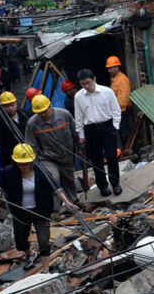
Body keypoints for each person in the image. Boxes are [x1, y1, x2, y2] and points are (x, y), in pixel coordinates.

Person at [0, 144, 76, 269]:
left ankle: (46, 269)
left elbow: (56, 188)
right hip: (20, 211)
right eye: (21, 163)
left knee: (43, 241)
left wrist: (67, 202)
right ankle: (29, 253)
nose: (24, 166)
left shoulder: (41, 172)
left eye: (27, 163)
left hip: (40, 211)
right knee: (20, 242)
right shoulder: (8, 173)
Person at [74, 68, 123, 197]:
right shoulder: (78, 96)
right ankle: (103, 187)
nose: (86, 86)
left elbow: (116, 110)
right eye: (83, 84)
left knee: (112, 156)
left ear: (94, 79)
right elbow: (78, 117)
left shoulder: (107, 92)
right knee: (96, 160)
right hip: (91, 129)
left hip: (107, 127)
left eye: (88, 83)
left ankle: (115, 183)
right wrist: (81, 135)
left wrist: (115, 127)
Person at [25, 94, 79, 203]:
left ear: (50, 106)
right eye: (39, 113)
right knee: (53, 179)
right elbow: (31, 145)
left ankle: (74, 201)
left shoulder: (64, 115)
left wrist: (80, 147)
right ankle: (55, 208)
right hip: (47, 158)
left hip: (66, 155)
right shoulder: (32, 123)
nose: (43, 114)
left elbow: (75, 133)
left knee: (69, 179)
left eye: (44, 111)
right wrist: (33, 163)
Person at [0, 91, 29, 172]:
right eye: (7, 106)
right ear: (2, 107)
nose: (10, 108)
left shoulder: (25, 115)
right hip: (10, 157)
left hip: (27, 152)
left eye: (12, 105)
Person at [106, 56, 133, 145]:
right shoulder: (115, 79)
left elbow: (123, 99)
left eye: (110, 68)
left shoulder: (122, 79)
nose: (109, 70)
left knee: (125, 132)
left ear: (117, 67)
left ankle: (130, 149)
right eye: (108, 68)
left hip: (123, 110)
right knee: (121, 132)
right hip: (119, 110)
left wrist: (114, 108)